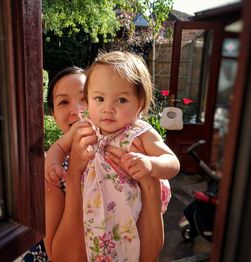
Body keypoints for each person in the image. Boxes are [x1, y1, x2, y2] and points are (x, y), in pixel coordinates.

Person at [22, 66, 166, 261]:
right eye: (63, 102)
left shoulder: (134, 149)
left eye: (84, 98)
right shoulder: (54, 175)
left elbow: (148, 255)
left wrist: (149, 181)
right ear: (53, 114)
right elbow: (61, 259)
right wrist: (73, 172)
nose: (77, 110)